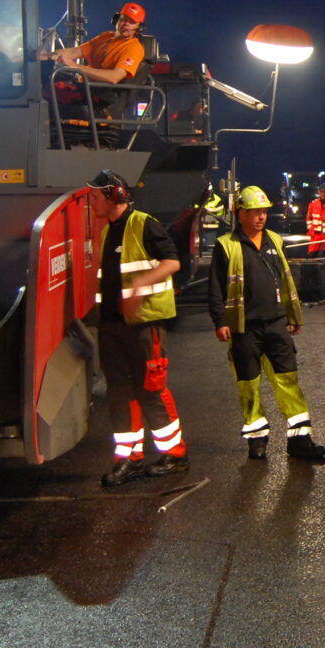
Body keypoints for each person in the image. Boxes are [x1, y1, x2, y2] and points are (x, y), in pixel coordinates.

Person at [208, 185, 325, 462]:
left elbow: (284, 280)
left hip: (275, 323)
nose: (261, 217)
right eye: (255, 212)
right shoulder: (226, 245)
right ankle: (257, 440)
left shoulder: (274, 239)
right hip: (244, 327)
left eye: (264, 211)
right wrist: (219, 321)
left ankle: (299, 441)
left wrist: (293, 316)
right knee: (248, 384)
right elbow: (216, 287)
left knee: (288, 380)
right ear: (241, 214)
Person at [88, 170, 189, 486]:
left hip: (145, 325)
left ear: (114, 195)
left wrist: (139, 286)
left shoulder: (143, 224)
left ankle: (175, 455)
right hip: (113, 326)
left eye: (95, 197)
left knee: (152, 390)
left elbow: (172, 262)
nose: (92, 203)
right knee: (119, 394)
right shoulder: (106, 232)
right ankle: (129, 459)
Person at [53, 1, 149, 89]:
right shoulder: (106, 36)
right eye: (124, 19)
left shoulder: (134, 48)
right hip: (83, 87)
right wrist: (49, 55)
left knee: (47, 92)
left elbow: (114, 77)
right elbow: (74, 52)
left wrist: (75, 66)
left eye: (132, 22)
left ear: (139, 28)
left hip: (97, 93)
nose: (126, 24)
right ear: (116, 19)